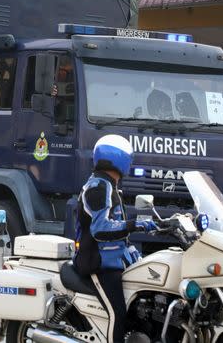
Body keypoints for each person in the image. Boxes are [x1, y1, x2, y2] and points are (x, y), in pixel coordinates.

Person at [74, 134, 157, 343]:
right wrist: (135, 224)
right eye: (129, 157)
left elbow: (117, 235)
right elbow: (100, 229)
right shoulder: (98, 187)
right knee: (117, 314)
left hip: (113, 261)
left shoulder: (109, 185)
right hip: (97, 263)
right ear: (119, 158)